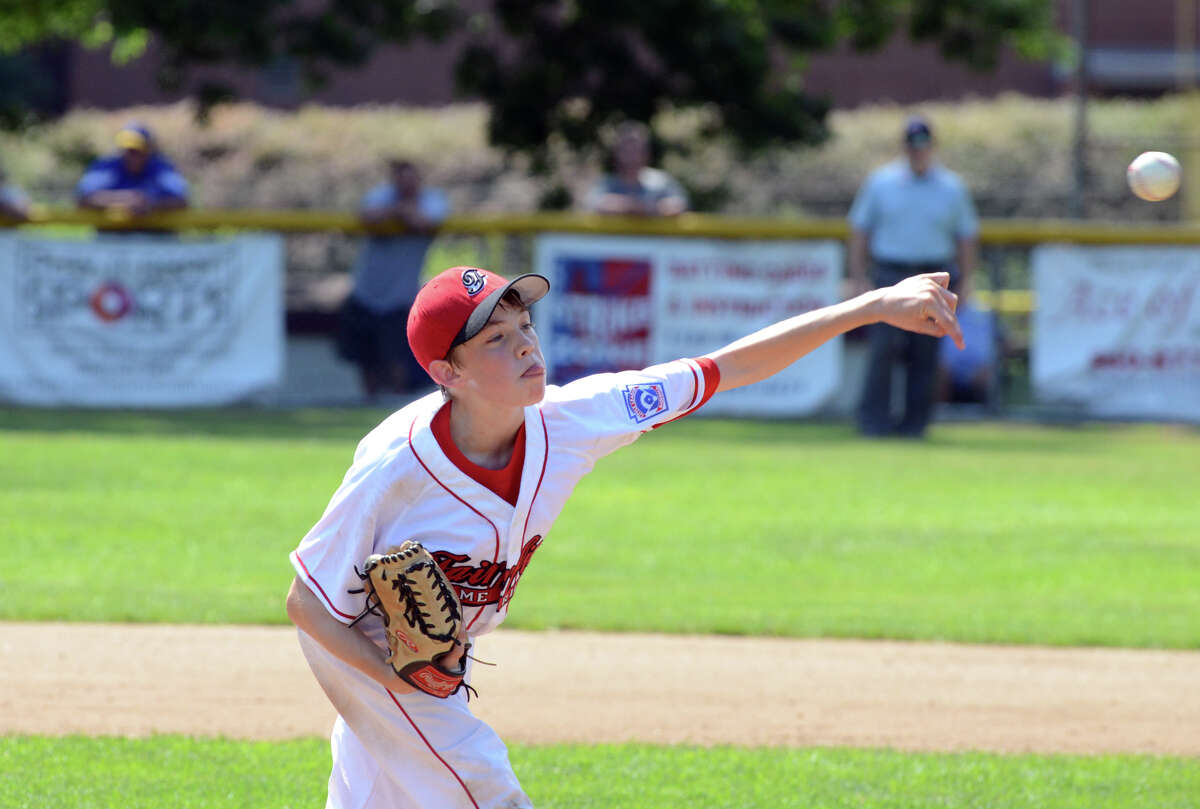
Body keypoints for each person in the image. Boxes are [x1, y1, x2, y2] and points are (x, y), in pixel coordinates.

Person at [285, 263, 963, 809]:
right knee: (484, 787)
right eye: (495, 338)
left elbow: (728, 368)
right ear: (447, 373)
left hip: (434, 662)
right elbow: (306, 603)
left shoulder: (577, 419)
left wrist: (871, 305)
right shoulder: (395, 468)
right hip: (367, 653)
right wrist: (399, 680)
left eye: (524, 324)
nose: (525, 343)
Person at [846, 115, 980, 438]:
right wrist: (858, 276)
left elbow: (966, 238)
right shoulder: (881, 182)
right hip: (890, 273)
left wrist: (966, 282)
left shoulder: (951, 187)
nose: (918, 151)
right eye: (912, 145)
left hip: (933, 273)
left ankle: (915, 426)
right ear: (904, 147)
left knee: (926, 353)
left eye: (923, 145)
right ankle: (873, 422)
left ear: (932, 147)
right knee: (883, 349)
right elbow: (860, 231)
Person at [337, 159, 449, 399]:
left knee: (399, 359)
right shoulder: (381, 196)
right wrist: (400, 211)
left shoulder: (432, 200)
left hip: (402, 296)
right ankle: (370, 403)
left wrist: (400, 213)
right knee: (366, 358)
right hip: (366, 293)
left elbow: (426, 222)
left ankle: (396, 404)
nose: (406, 185)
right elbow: (367, 217)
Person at [75, 123, 189, 216]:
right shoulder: (107, 168)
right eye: (127, 149)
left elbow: (182, 201)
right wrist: (124, 200)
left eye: (136, 150)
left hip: (158, 238)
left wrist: (151, 204)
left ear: (148, 150)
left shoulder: (162, 169)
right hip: (113, 238)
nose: (130, 155)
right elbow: (83, 199)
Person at [584, 121, 689, 216]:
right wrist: (635, 207)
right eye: (627, 149)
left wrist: (645, 209)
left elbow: (679, 205)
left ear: (646, 153)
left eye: (636, 150)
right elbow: (596, 205)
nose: (632, 156)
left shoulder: (661, 181)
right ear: (617, 153)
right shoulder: (606, 183)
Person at [939, 300, 1005, 408]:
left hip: (979, 371)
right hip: (946, 372)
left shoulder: (983, 313)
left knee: (987, 374)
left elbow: (1003, 344)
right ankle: (939, 413)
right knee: (939, 374)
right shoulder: (936, 311)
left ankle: (988, 414)